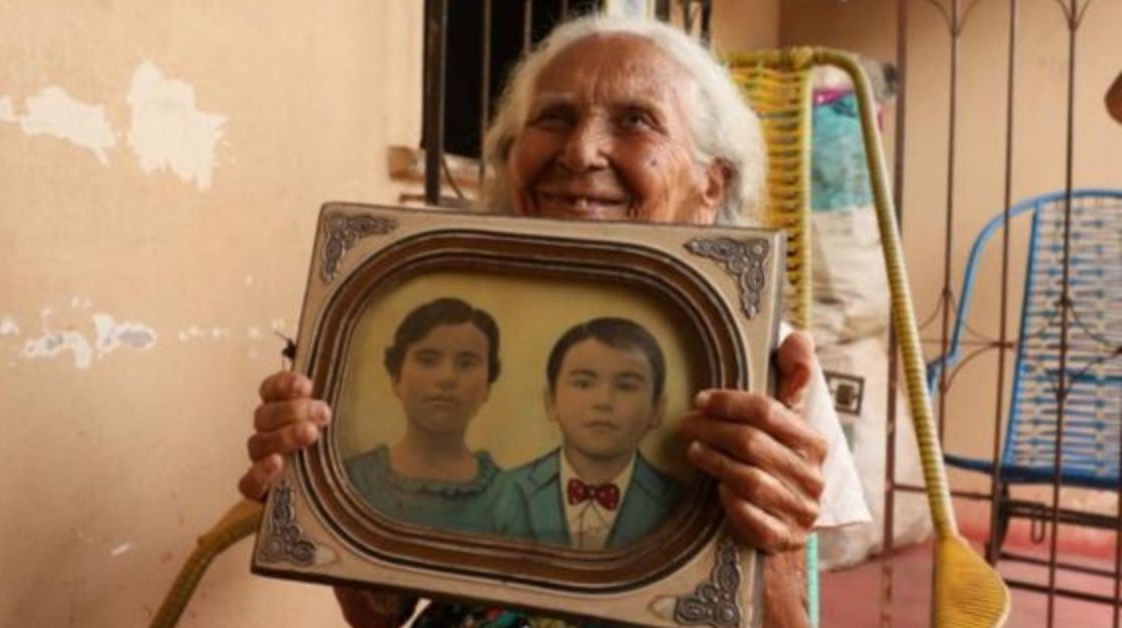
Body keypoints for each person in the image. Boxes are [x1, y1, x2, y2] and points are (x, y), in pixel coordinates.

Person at [240, 14, 868, 628]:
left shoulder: (766, 363)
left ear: (711, 182)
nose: (581, 151)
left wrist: (774, 547)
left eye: (636, 121)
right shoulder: (446, 318)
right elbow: (382, 616)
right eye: (554, 118)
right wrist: (319, 496)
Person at [494, 317, 683, 550]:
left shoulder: (681, 504)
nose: (603, 402)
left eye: (626, 386)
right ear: (551, 401)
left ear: (657, 409)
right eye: (583, 384)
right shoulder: (503, 492)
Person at [343, 297, 508, 533]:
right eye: (428, 360)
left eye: (466, 363)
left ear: (487, 387)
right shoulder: (350, 479)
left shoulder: (511, 497)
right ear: (396, 378)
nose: (447, 378)